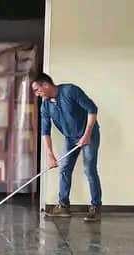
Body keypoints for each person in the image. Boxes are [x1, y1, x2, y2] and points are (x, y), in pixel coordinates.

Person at [31, 73, 102, 222]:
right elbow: (45, 132)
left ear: (46, 84)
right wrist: (50, 155)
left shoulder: (70, 91)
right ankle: (63, 206)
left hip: (89, 133)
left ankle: (95, 208)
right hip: (70, 138)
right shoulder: (45, 105)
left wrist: (87, 134)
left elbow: (92, 109)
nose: (37, 94)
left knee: (89, 170)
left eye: (37, 90)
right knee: (64, 169)